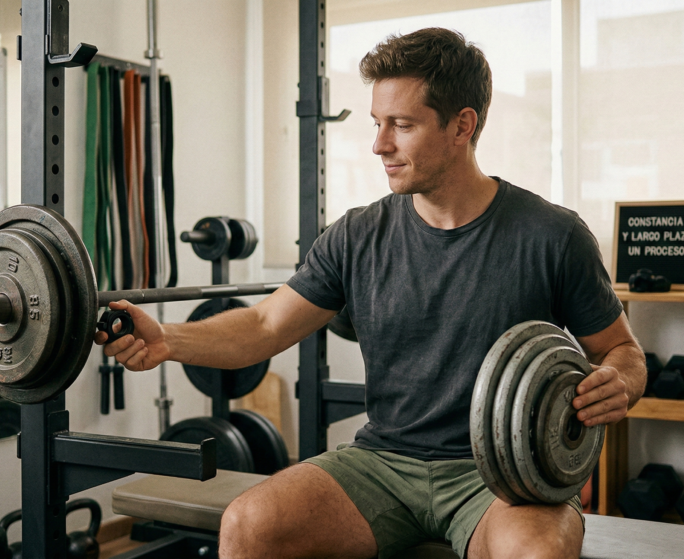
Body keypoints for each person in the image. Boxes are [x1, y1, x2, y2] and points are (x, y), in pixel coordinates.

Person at [97, 27, 646, 559]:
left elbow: (621, 350)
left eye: (402, 125)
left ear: (462, 126)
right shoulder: (357, 235)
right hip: (384, 464)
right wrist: (167, 338)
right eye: (377, 123)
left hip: (503, 474)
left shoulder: (551, 235)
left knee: (536, 553)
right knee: (249, 524)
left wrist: (617, 381)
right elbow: (265, 327)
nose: (379, 144)